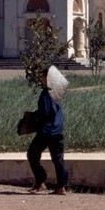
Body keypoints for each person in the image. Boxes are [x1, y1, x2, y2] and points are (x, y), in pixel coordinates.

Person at [27, 65, 69, 195]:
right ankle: (61, 187)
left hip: (46, 131)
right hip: (57, 130)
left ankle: (41, 181)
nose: (41, 79)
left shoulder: (46, 93)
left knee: (32, 154)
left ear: (48, 78)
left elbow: (46, 112)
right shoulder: (55, 92)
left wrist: (32, 116)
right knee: (57, 159)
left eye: (43, 76)